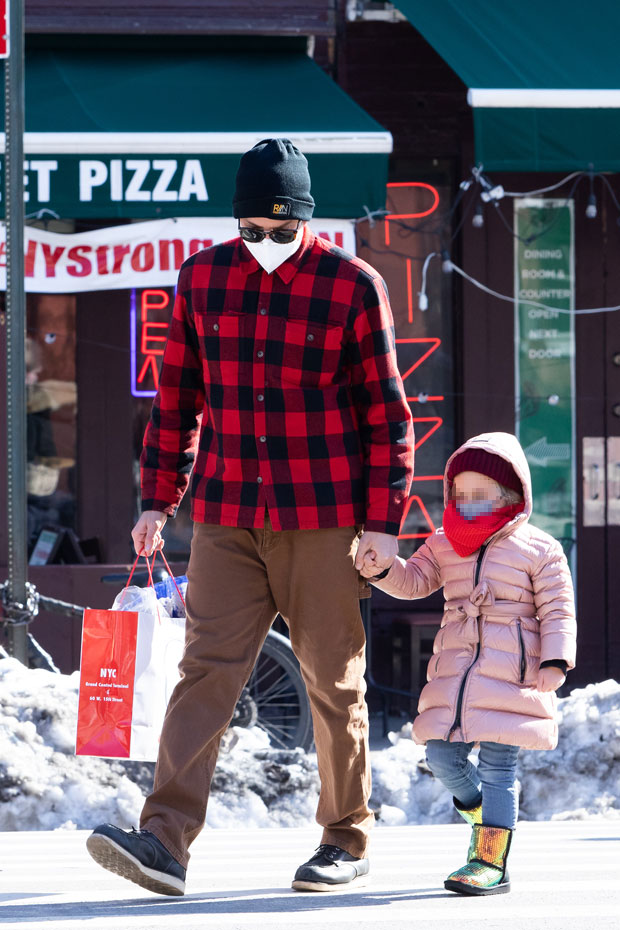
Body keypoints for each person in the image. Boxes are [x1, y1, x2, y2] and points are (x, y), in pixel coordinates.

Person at [86, 138, 414, 896]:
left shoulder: (352, 285)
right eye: (250, 229)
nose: (264, 244)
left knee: (333, 680)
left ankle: (345, 837)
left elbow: (386, 417)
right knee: (204, 673)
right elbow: (176, 403)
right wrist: (156, 500)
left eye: (279, 230)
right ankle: (164, 842)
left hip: (326, 515)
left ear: (304, 219)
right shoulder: (202, 278)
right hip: (227, 515)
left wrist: (383, 522)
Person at [360, 431, 576, 896]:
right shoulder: (444, 543)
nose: (471, 502)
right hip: (457, 667)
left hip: (514, 672)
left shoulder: (540, 549)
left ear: (512, 494)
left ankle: (488, 860)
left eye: (483, 494)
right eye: (463, 493)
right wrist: (382, 567)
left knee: (501, 767)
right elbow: (414, 580)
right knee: (440, 754)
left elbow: (558, 608)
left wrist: (555, 660)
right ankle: (483, 813)